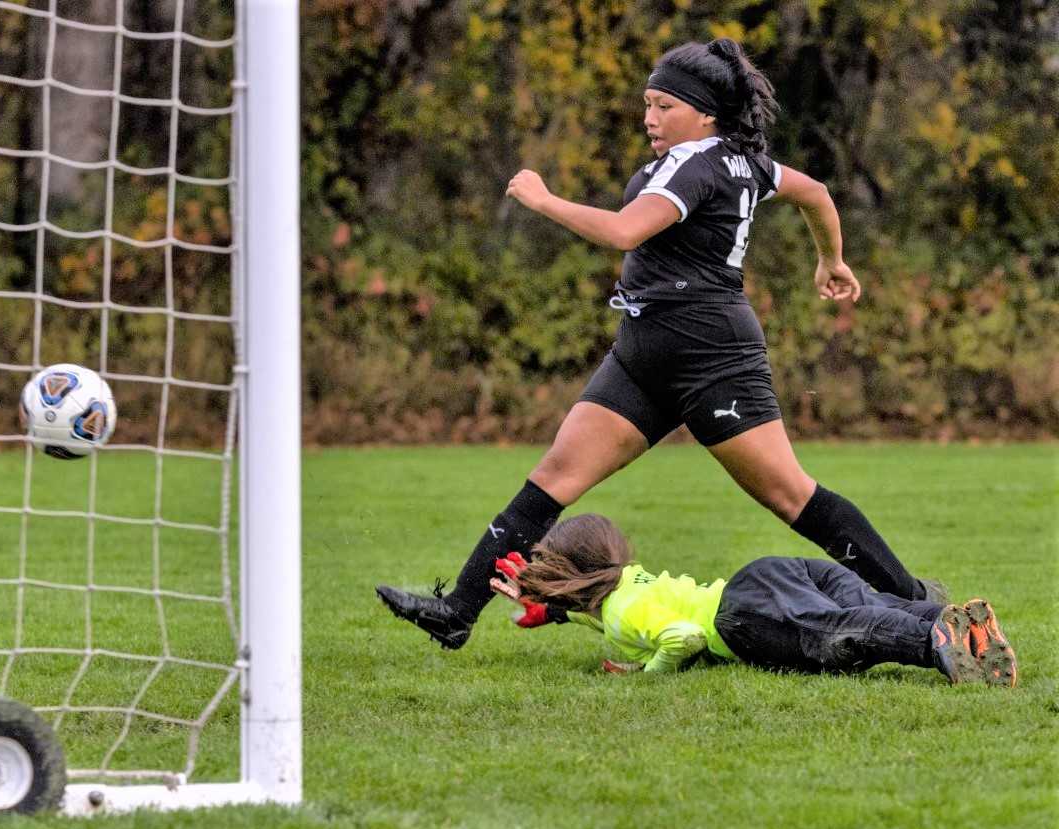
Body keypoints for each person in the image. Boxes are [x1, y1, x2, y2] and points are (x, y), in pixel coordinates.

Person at [376, 38, 944, 650]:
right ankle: (457, 612)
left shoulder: (697, 161)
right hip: (644, 351)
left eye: (664, 104)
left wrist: (543, 200)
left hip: (711, 357)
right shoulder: (742, 161)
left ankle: (920, 605)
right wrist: (829, 260)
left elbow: (626, 231)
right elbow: (815, 193)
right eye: (647, 103)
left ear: (704, 114)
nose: (650, 117)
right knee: (554, 477)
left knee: (790, 495)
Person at [489, 513, 1017, 686]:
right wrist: (557, 610)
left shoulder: (622, 613)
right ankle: (954, 621)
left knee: (839, 633)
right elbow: (607, 615)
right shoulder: (627, 580)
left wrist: (648, 672)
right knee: (866, 601)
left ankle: (937, 642)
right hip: (769, 575)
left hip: (740, 615)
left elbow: (685, 635)